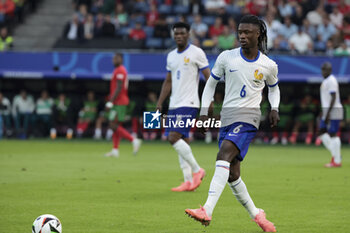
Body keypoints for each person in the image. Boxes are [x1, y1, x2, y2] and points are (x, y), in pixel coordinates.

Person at [185, 15, 279, 232]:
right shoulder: (226, 57)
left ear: (259, 35)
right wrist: (203, 112)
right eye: (240, 32)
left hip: (248, 117)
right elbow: (210, 84)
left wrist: (274, 107)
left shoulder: (268, 65)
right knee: (232, 174)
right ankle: (258, 215)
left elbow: (274, 87)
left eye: (247, 32)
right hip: (227, 117)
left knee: (223, 155)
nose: (242, 36)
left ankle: (207, 209)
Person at [156, 22, 211, 192]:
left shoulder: (197, 53)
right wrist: (159, 102)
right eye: (176, 33)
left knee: (173, 138)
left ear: (189, 34)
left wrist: (208, 102)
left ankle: (197, 170)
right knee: (183, 141)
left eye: (182, 33)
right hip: (174, 104)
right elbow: (168, 81)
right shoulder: (171, 56)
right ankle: (188, 182)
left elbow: (209, 79)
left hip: (189, 103)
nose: (179, 36)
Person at [104, 53, 142, 158]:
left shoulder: (120, 70)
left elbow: (119, 87)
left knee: (113, 124)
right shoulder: (118, 70)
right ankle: (115, 150)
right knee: (115, 125)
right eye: (113, 58)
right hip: (118, 102)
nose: (113, 60)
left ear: (121, 59)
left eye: (116, 58)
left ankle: (133, 140)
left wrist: (110, 101)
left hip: (119, 102)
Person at [317, 62, 343, 167]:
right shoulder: (326, 81)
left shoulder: (331, 80)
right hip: (328, 111)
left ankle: (336, 161)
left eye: (325, 70)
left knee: (333, 133)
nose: (323, 72)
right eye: (322, 69)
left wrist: (328, 114)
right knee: (321, 133)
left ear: (330, 70)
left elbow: (333, 97)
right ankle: (336, 155)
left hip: (334, 110)